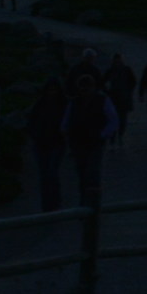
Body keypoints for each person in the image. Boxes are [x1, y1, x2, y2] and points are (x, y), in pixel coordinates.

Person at [65, 74, 116, 206]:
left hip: (95, 143)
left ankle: (93, 204)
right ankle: (84, 202)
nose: (85, 91)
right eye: (82, 89)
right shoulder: (74, 102)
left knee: (93, 172)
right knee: (82, 174)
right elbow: (66, 121)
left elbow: (113, 120)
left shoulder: (102, 100)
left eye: (87, 88)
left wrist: (102, 135)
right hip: (78, 143)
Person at [27, 80, 69, 211]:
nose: (51, 93)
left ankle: (54, 201)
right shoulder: (39, 105)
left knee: (52, 173)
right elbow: (31, 121)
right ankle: (46, 203)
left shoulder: (63, 105)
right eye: (49, 90)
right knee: (44, 175)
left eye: (54, 90)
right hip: (41, 143)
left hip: (57, 143)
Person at [102, 53, 138, 151]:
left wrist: (127, 91)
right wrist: (107, 91)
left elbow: (133, 82)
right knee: (113, 119)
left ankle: (120, 136)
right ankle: (113, 139)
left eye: (119, 60)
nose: (117, 62)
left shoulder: (127, 70)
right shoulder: (110, 71)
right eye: (116, 60)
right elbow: (102, 82)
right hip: (113, 99)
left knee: (122, 120)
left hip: (123, 100)